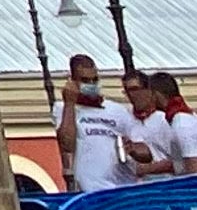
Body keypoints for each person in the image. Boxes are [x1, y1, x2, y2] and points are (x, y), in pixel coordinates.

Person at [58, 54, 142, 194]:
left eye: (95, 80)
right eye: (85, 80)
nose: (91, 84)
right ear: (72, 81)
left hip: (123, 187)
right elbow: (67, 145)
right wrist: (70, 103)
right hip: (91, 191)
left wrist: (132, 149)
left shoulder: (118, 110)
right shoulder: (64, 109)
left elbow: (142, 147)